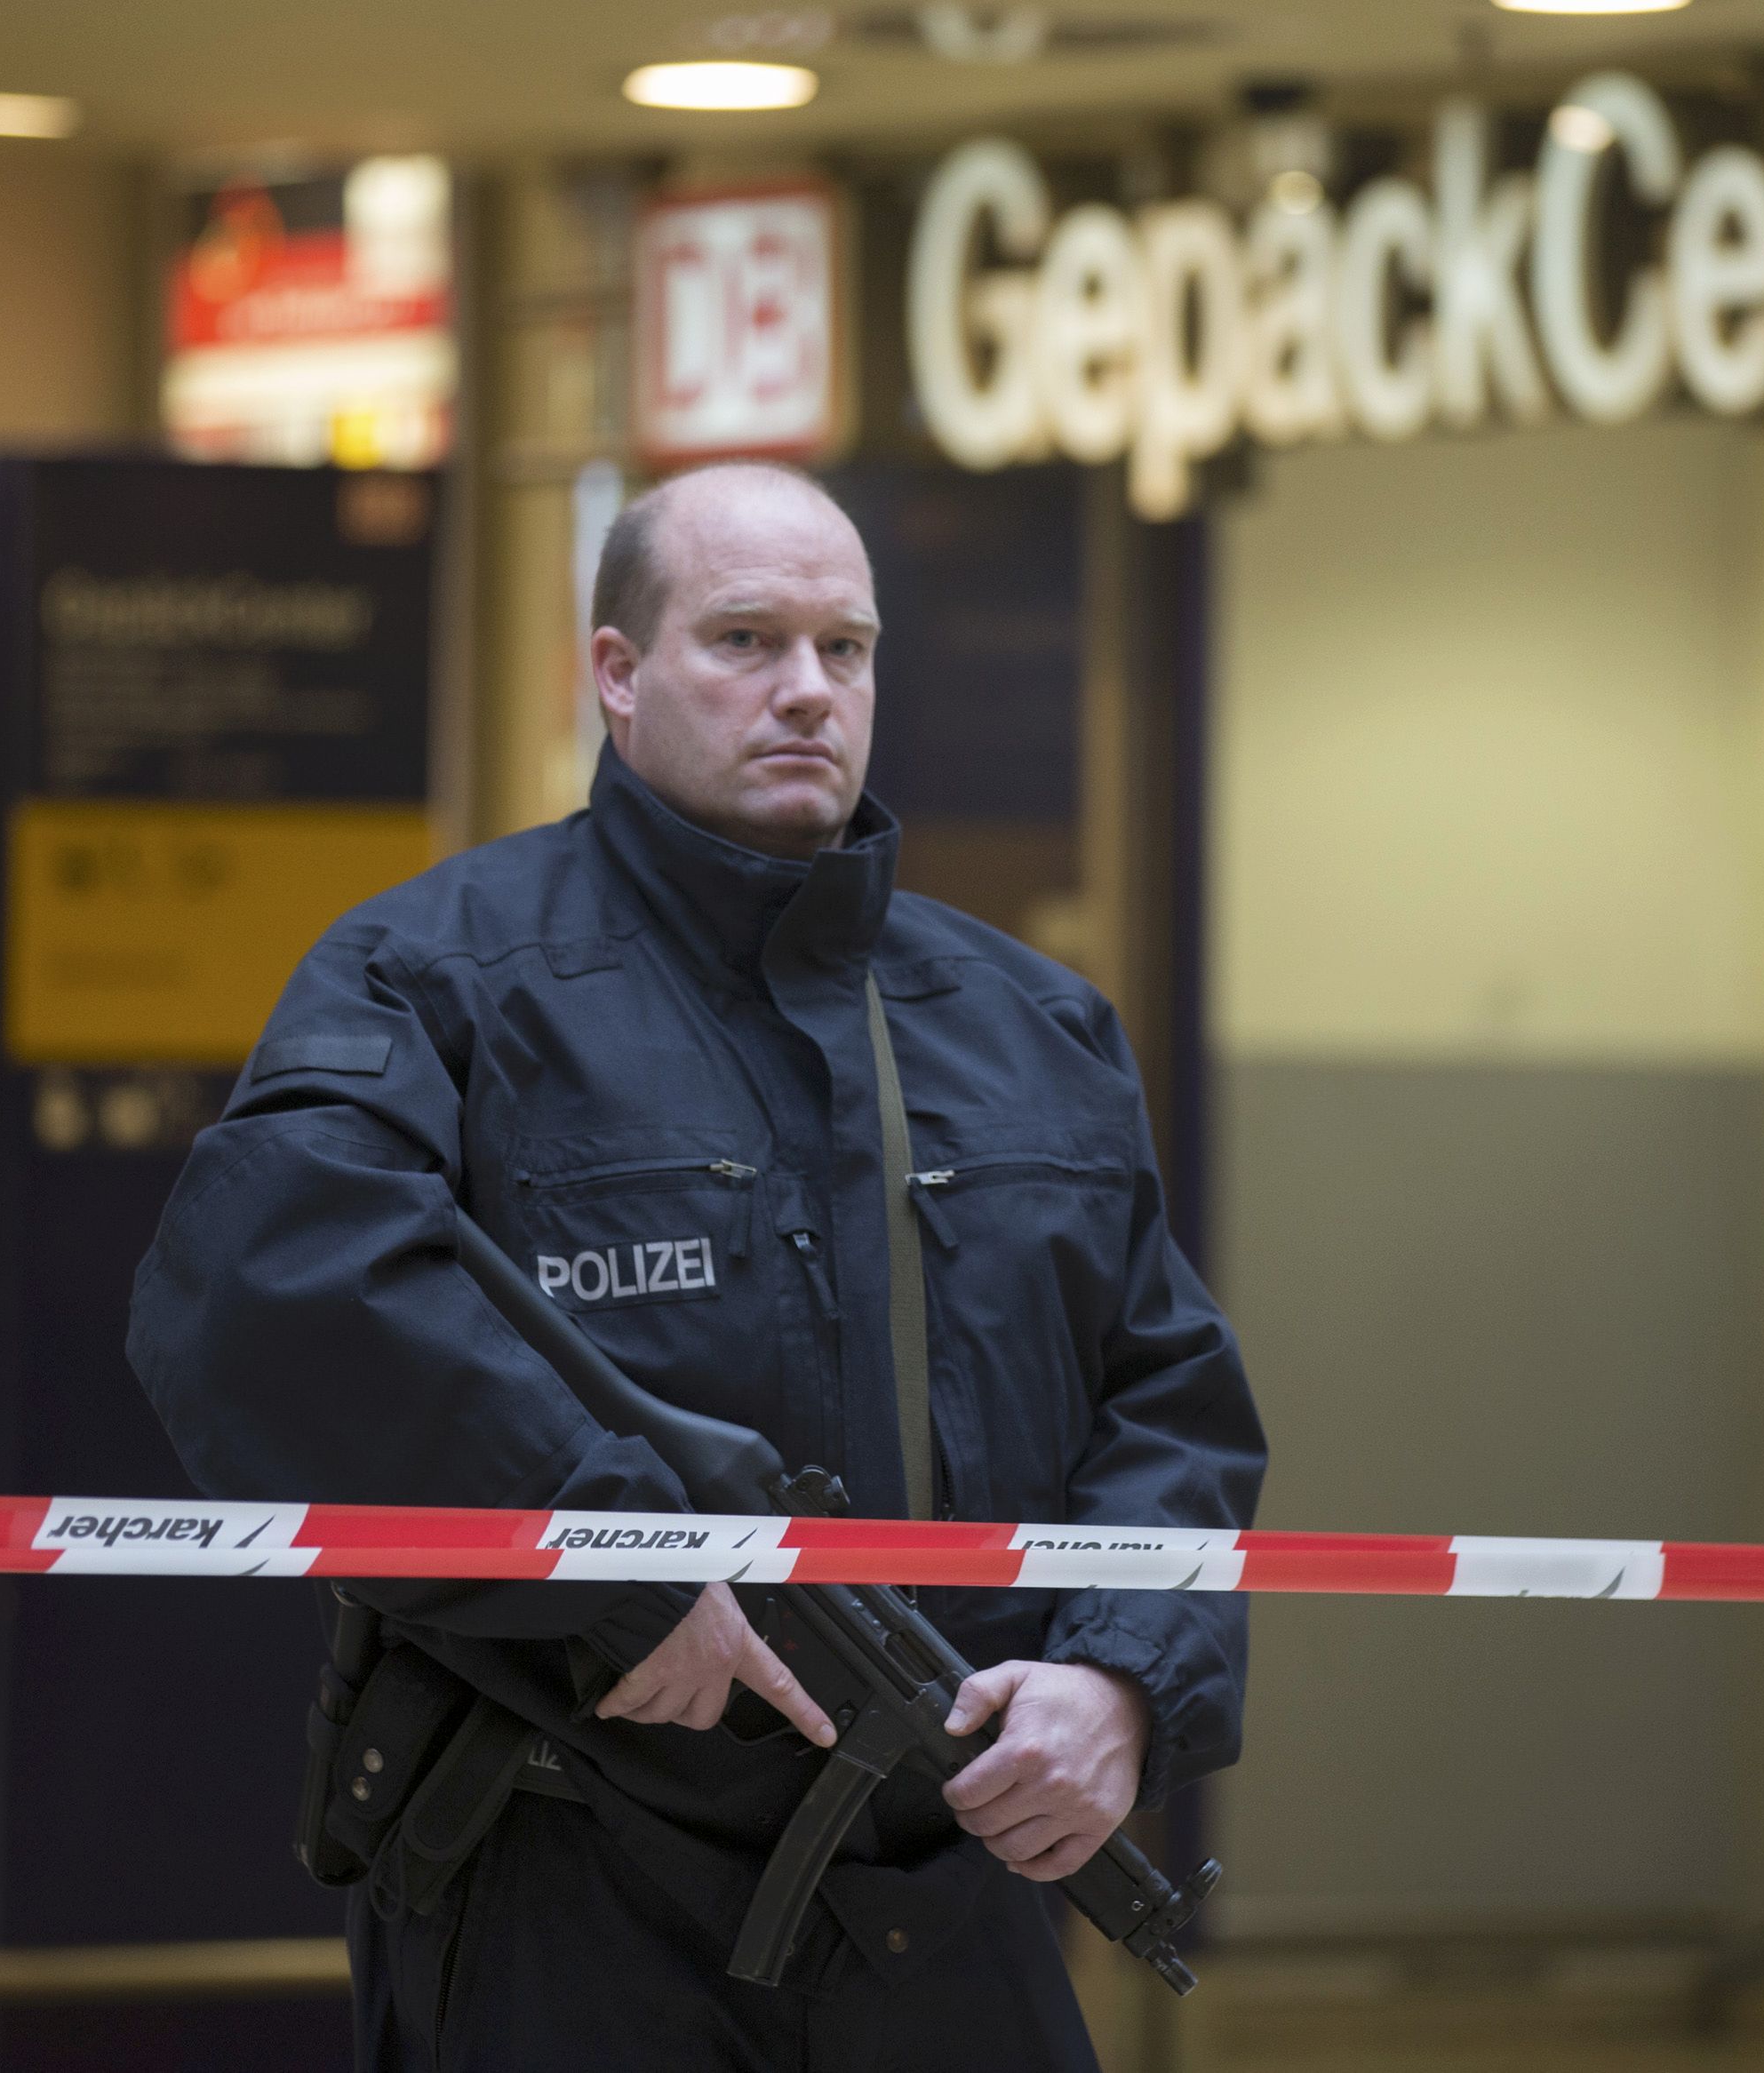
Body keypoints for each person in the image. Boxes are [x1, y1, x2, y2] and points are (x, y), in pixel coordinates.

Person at [126, 460, 1267, 2072]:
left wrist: (1121, 1684)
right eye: (745, 638)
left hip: (941, 1896)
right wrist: (607, 1552)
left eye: (846, 648)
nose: (807, 690)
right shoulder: (440, 976)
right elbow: (262, 1286)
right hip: (566, 1888)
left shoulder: (1035, 1028)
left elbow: (1173, 1409)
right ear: (616, 674)